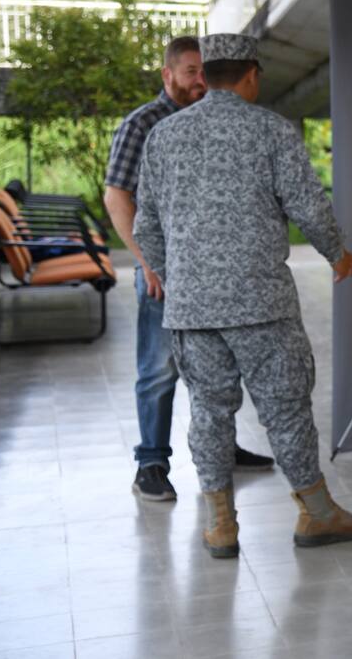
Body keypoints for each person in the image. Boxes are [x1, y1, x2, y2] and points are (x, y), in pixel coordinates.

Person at [133, 33, 352, 558]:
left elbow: (145, 226)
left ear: (205, 76)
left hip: (192, 311)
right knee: (286, 409)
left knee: (208, 411)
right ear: (251, 75)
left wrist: (182, 280)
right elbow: (307, 205)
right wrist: (338, 255)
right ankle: (317, 514)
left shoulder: (163, 136)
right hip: (262, 305)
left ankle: (221, 525)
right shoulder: (270, 130)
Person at [104, 35, 273, 502]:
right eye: (191, 71)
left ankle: (222, 449)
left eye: (205, 71)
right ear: (167, 74)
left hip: (217, 275)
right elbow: (117, 197)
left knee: (216, 368)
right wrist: (148, 262)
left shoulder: (221, 120)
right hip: (164, 275)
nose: (201, 80)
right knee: (159, 371)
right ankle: (151, 464)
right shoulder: (143, 125)